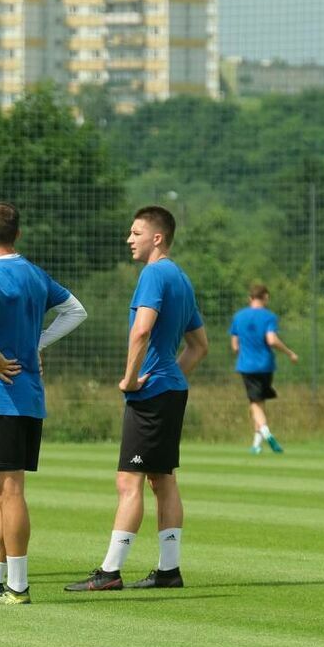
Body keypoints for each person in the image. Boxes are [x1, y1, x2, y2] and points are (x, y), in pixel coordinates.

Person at [65, 206, 208, 593]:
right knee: (163, 479)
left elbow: (141, 332)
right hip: (171, 390)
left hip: (150, 393)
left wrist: (130, 379)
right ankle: (169, 570)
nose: (129, 239)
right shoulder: (181, 277)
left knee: (129, 480)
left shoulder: (153, 274)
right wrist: (172, 374)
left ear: (156, 238)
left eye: (136, 232)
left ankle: (110, 571)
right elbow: (199, 346)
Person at [0, 203, 87, 606]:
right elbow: (75, 311)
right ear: (16, 234)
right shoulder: (35, 274)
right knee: (2, 492)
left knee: (10, 491)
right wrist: (37, 343)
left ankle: (18, 585)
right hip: (29, 397)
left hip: (1, 397)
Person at [229, 283, 298, 454]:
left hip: (247, 365)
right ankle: (256, 445)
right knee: (259, 402)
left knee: (255, 403)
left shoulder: (239, 317)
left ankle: (266, 434)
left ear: (250, 298)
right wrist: (289, 353)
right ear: (266, 297)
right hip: (266, 365)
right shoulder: (269, 317)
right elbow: (272, 340)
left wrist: (245, 352)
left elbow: (235, 346)